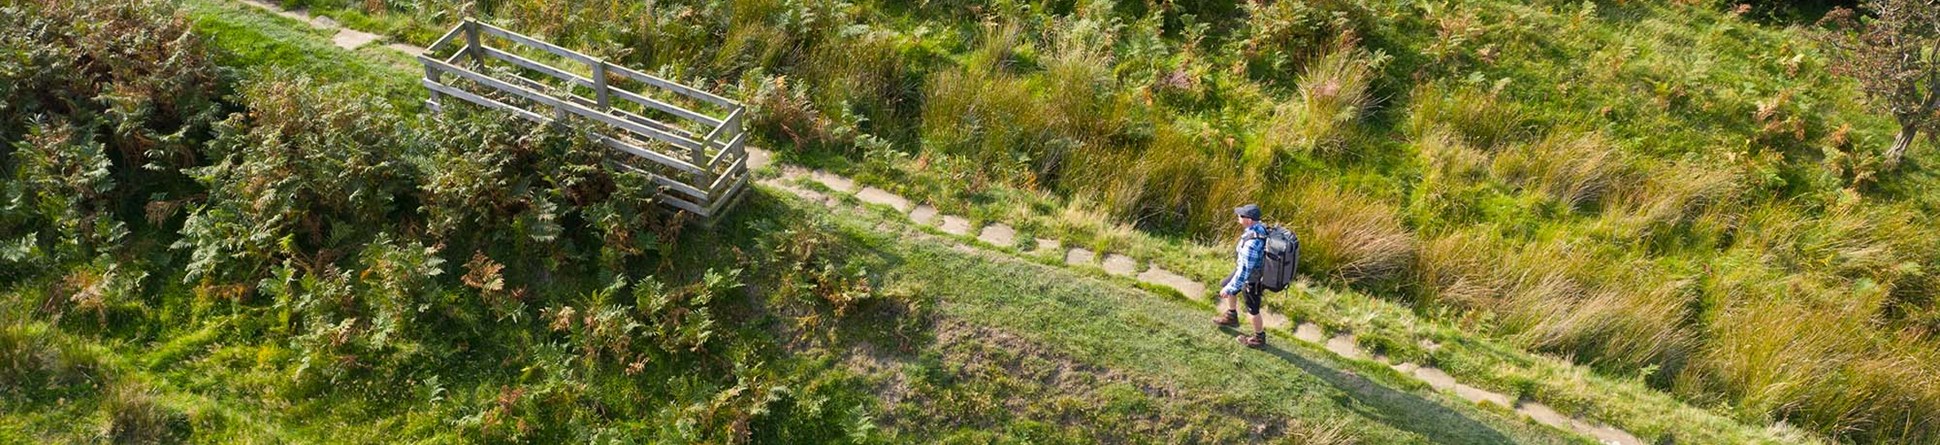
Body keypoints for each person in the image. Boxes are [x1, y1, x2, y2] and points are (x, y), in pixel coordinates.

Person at [1214, 204, 1269, 348]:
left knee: (1252, 310)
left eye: (1241, 216)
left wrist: (1230, 289)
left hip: (1253, 279)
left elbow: (1244, 272)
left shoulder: (1252, 244)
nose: (1238, 217)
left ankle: (1259, 338)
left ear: (1249, 220)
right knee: (1226, 283)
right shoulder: (1259, 227)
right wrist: (1230, 287)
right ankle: (1231, 316)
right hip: (1248, 271)